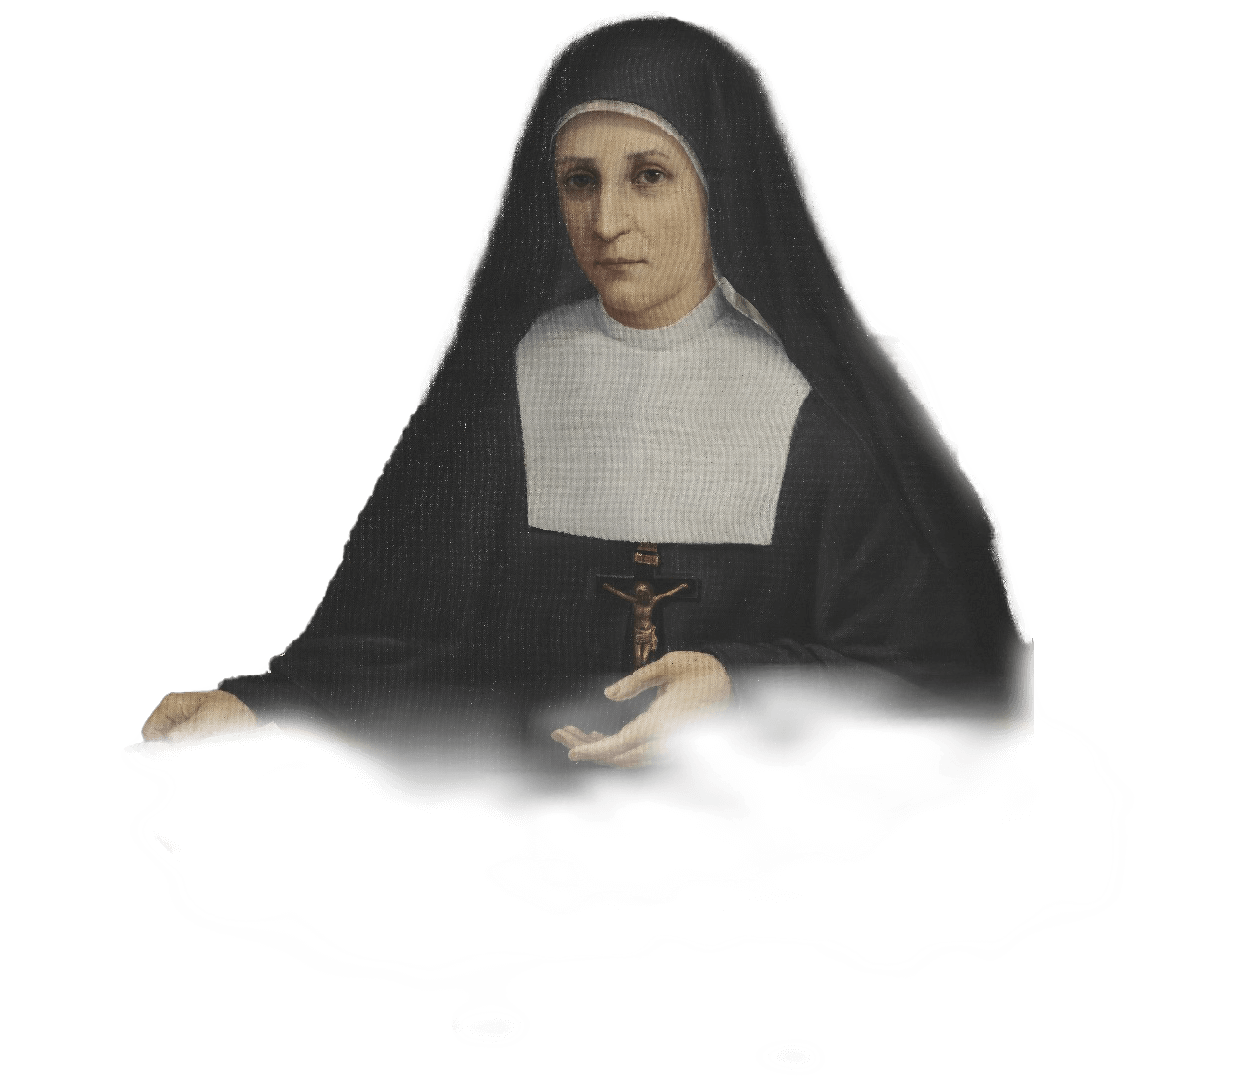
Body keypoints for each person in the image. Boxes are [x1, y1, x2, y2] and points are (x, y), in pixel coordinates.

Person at [141, 17, 1029, 769]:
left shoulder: (824, 414)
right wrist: (263, 704)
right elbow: (394, 634)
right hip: (515, 809)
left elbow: (941, 674)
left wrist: (737, 683)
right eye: (578, 180)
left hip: (761, 824)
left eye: (649, 175)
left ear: (718, 186)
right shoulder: (502, 388)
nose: (606, 222)